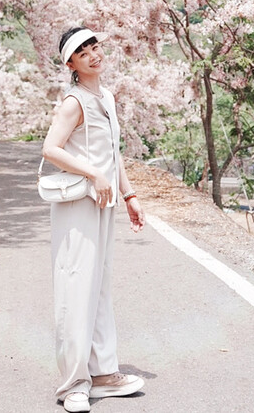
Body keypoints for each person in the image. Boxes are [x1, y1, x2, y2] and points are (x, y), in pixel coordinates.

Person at [41, 26, 146, 413]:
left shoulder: (107, 97)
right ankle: (73, 385)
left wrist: (129, 194)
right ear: (70, 64)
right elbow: (50, 148)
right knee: (75, 287)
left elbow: (113, 153)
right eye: (82, 52)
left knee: (98, 286)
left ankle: (102, 374)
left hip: (105, 203)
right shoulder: (74, 102)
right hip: (77, 204)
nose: (93, 54)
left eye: (94, 46)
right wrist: (93, 174)